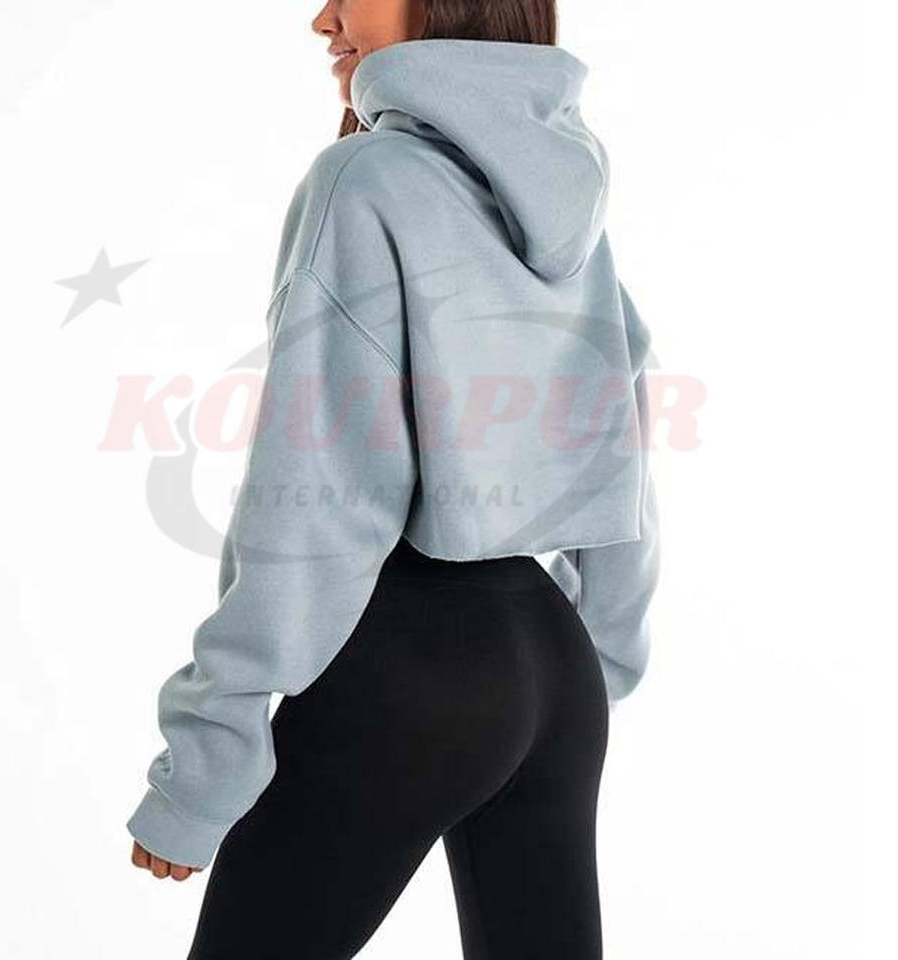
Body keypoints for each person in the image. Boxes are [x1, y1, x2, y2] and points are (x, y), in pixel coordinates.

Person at [127, 1, 660, 957]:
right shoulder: (571, 182)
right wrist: (601, 652)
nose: (323, 17)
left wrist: (208, 757)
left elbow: (319, 491)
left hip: (407, 668)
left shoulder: (365, 178)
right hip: (554, 672)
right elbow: (621, 414)